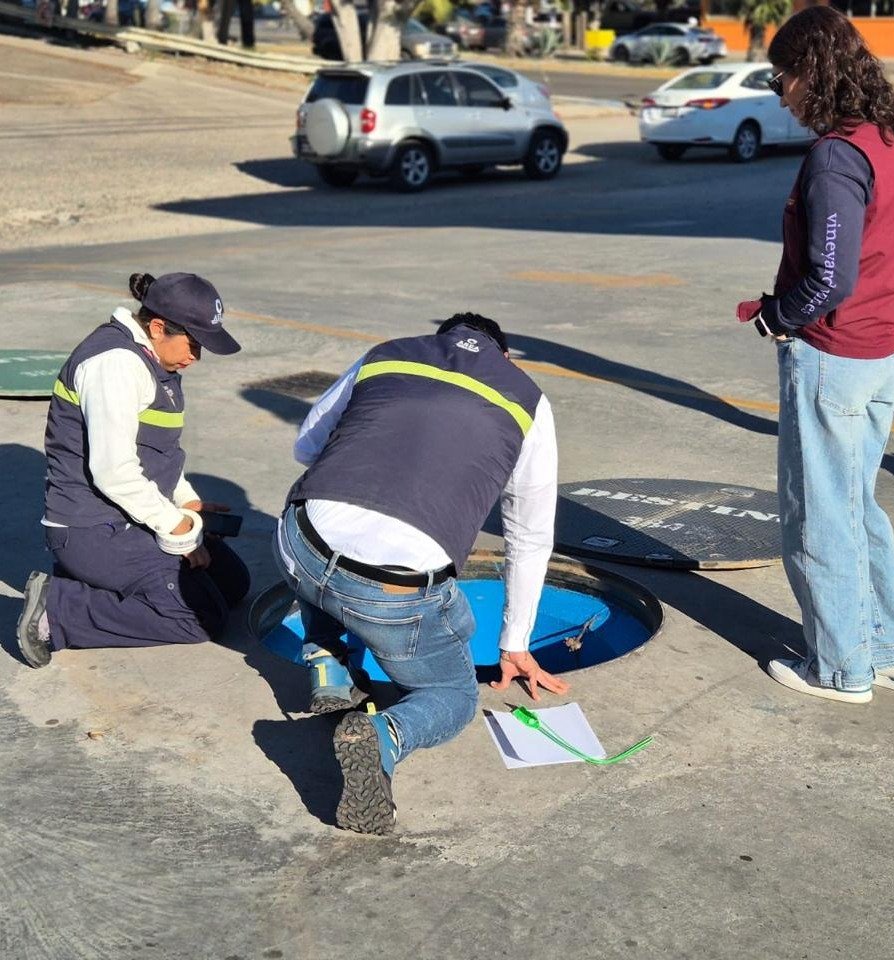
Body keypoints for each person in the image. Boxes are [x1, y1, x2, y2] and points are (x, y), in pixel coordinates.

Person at [274, 312, 569, 834]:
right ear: (505, 357)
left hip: (298, 548)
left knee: (327, 524)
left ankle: (326, 660)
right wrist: (515, 644)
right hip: (389, 594)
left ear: (441, 340)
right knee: (453, 697)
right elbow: (528, 537)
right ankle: (385, 737)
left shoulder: (387, 352)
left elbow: (306, 447)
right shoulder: (527, 399)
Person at [736, 8, 894, 703]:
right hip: (884, 353)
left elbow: (829, 276)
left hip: (835, 355)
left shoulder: (838, 153)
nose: (779, 92)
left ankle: (839, 666)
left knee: (819, 513)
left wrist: (775, 319)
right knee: (857, 507)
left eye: (780, 76)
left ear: (811, 73)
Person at [16, 272, 250, 668]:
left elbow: (154, 450)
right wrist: (177, 529)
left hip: (127, 517)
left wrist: (184, 500)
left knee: (232, 584)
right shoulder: (116, 364)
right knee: (199, 616)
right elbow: (114, 472)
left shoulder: (157, 361)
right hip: (93, 528)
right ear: (157, 327)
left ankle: (93, 582)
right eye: (193, 343)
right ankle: (58, 611)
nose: (197, 355)